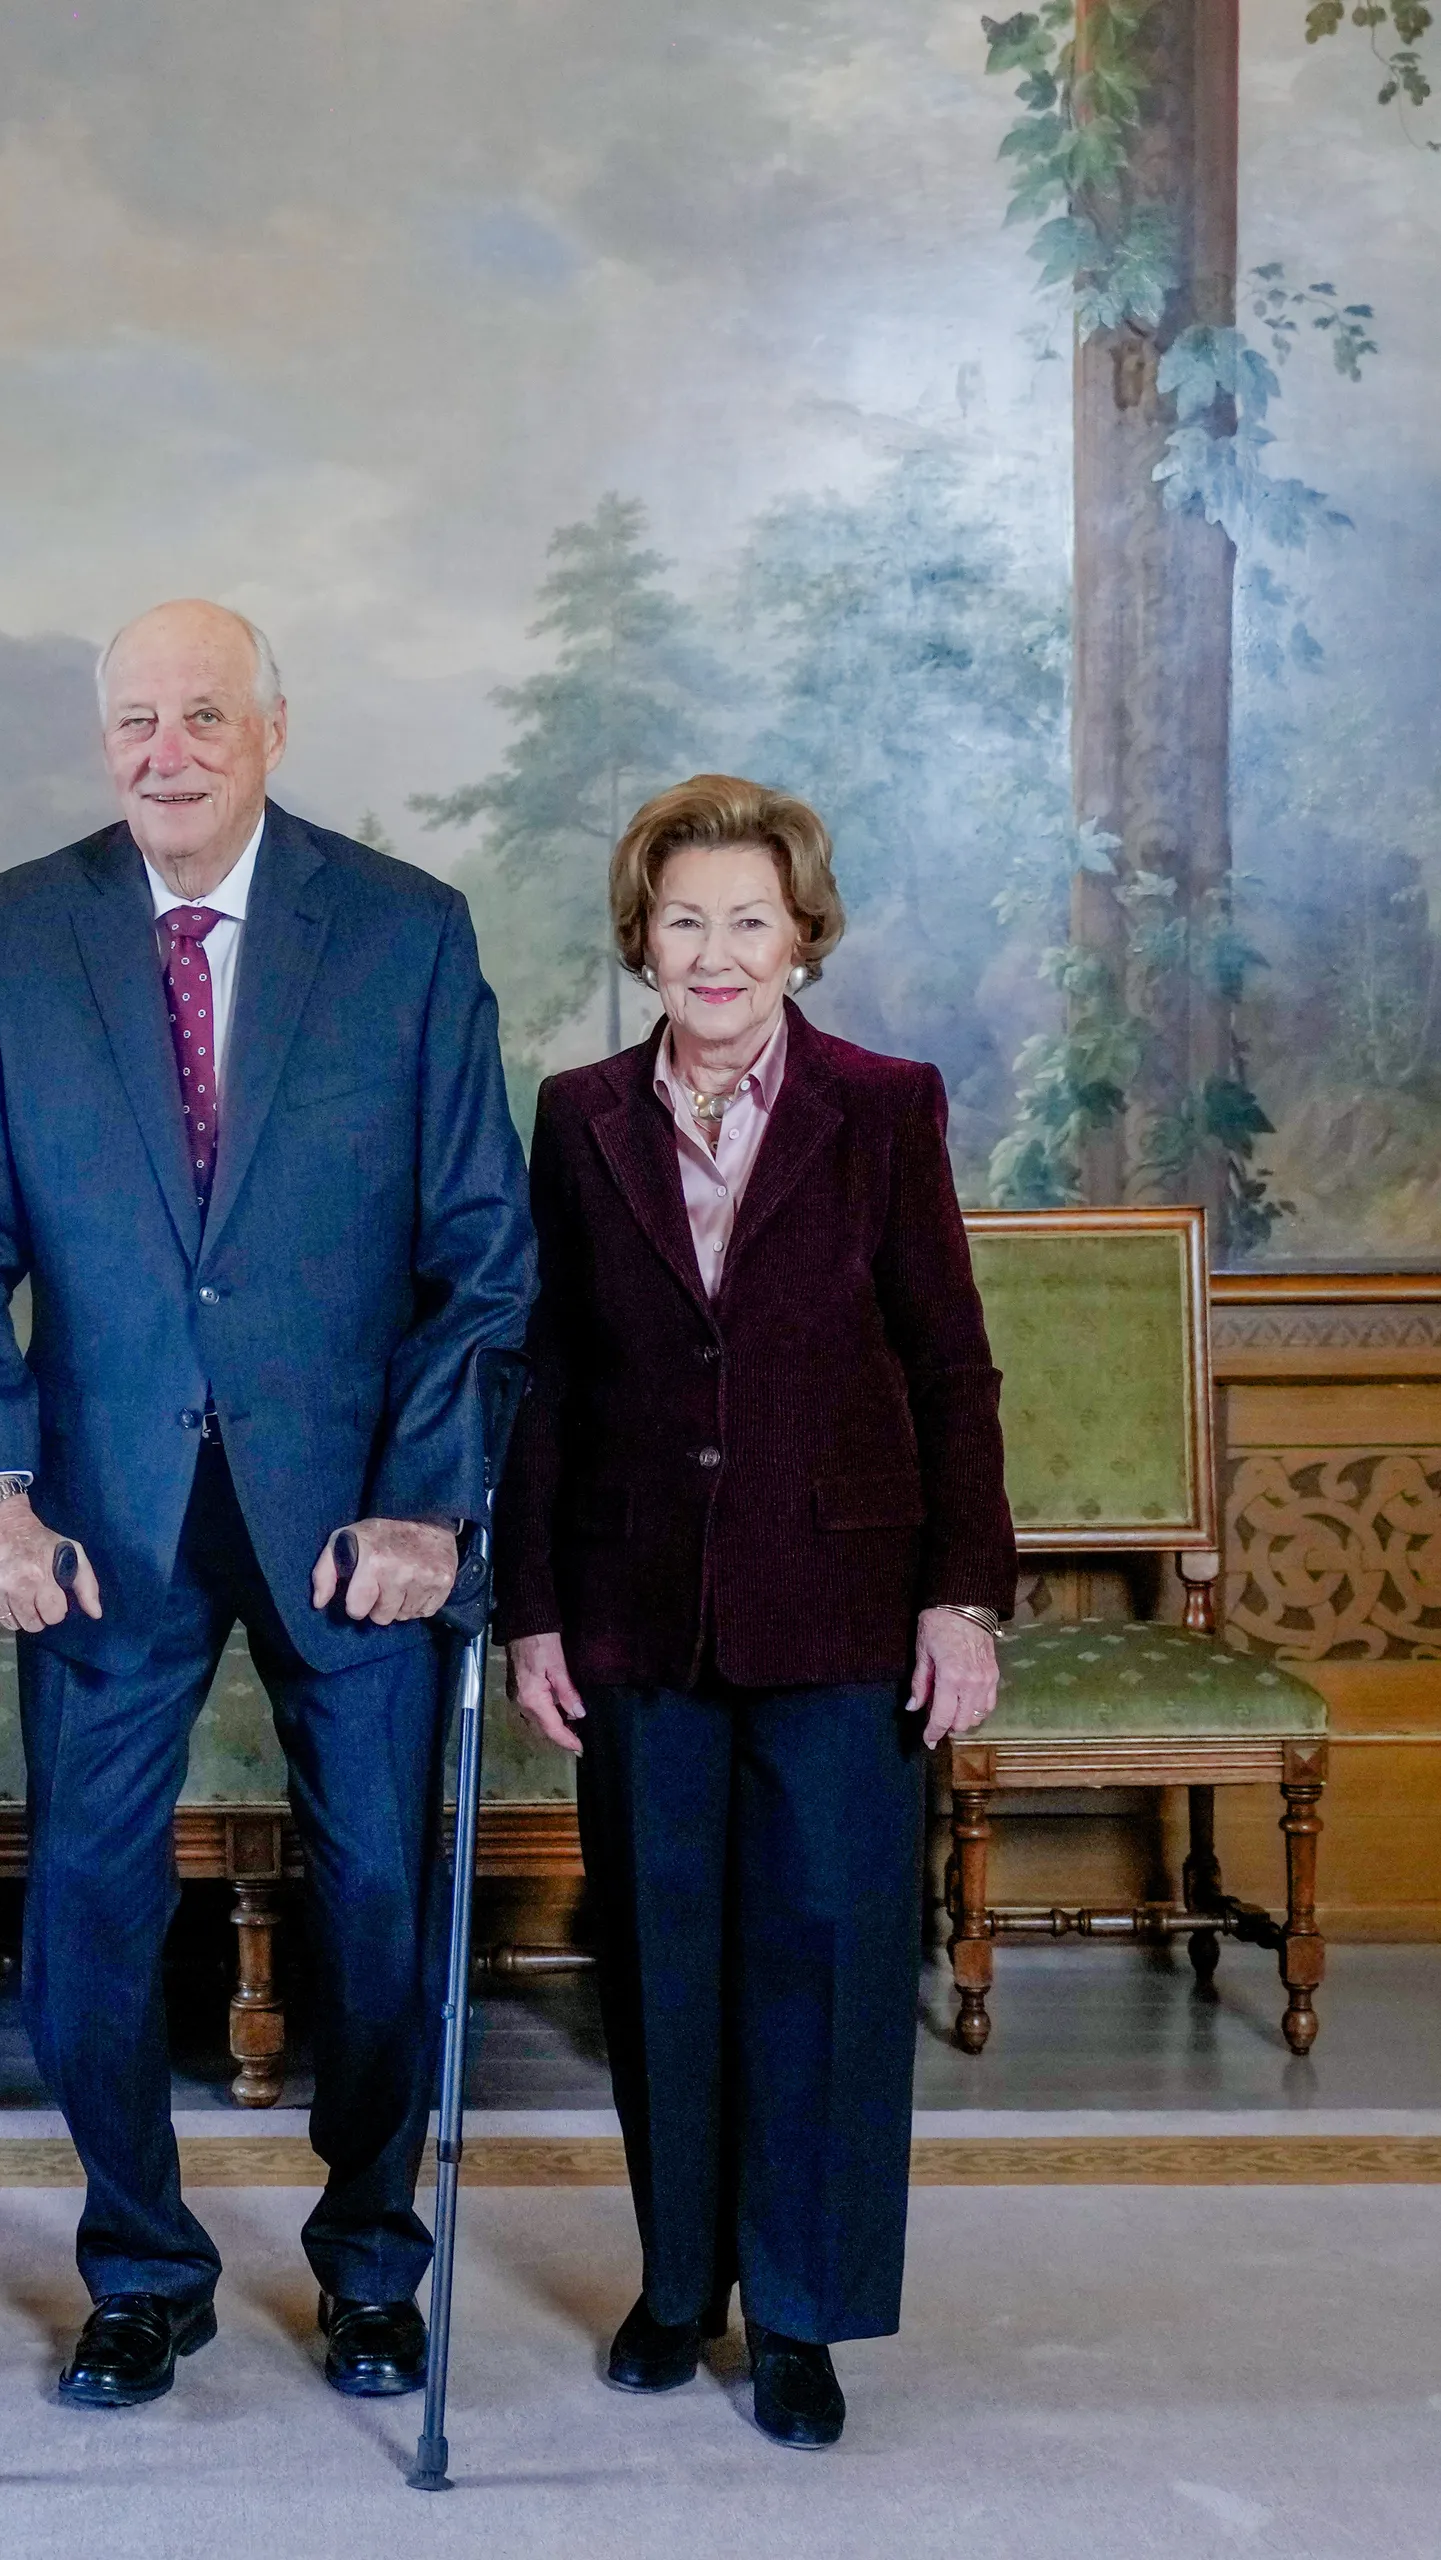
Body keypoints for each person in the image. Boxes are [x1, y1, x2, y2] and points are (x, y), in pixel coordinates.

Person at [0, 600, 535, 2410]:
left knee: (383, 1898)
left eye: (202, 717)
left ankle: (372, 2259)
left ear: (272, 728)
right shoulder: (14, 937)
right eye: (135, 721)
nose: (166, 751)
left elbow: (484, 1255)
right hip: (98, 1518)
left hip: (354, 1513)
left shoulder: (405, 935)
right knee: (85, 1903)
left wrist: (427, 1505)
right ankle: (143, 2265)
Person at [496, 773, 1012, 2451]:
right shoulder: (577, 1116)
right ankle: (678, 2282)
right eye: (684, 920)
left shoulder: (883, 1106)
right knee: (658, 1962)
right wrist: (535, 1609)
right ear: (642, 940)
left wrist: (964, 1600)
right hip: (637, 1607)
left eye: (750, 920)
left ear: (803, 939)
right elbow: (549, 1375)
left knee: (831, 1956)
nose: (716, 951)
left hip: (846, 1602)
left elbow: (950, 1363)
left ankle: (802, 2311)